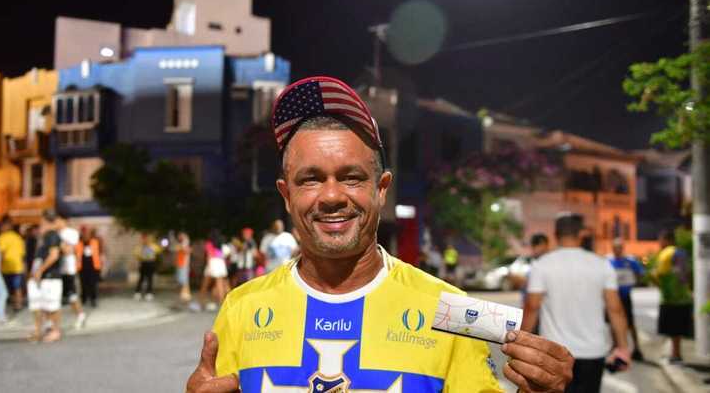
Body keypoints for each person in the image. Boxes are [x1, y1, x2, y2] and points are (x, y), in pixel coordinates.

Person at [187, 76, 574, 393]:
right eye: (311, 180)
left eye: (352, 177)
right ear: (286, 195)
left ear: (382, 188)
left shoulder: (449, 309)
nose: (333, 196)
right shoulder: (242, 307)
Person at [523, 213, 630, 393]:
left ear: (555, 235)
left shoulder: (542, 265)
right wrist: (623, 347)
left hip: (554, 352)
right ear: (581, 234)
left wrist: (523, 342)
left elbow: (532, 307)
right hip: (593, 352)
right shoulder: (601, 265)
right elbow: (615, 309)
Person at [653, 228, 693, 364]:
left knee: (672, 329)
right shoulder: (682, 252)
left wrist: (655, 280)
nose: (659, 242)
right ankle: (676, 354)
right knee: (679, 329)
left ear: (667, 240)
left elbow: (658, 275)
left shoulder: (665, 254)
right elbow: (687, 275)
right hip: (683, 297)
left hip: (670, 298)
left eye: (660, 239)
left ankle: (675, 356)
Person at [28, 210, 64, 343]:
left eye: (41, 219)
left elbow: (54, 255)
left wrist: (40, 270)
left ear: (45, 220)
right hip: (42, 276)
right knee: (40, 304)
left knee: (52, 305)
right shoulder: (45, 236)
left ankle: (55, 331)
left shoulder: (53, 235)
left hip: (51, 276)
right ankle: (39, 330)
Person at [608, 237, 645, 361]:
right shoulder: (608, 261)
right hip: (612, 296)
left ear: (622, 248)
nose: (616, 250)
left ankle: (636, 348)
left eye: (619, 247)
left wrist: (635, 283)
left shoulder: (630, 261)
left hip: (625, 296)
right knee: (612, 322)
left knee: (630, 323)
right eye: (614, 247)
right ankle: (615, 346)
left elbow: (640, 273)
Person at [57, 217, 86, 329]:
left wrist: (60, 245)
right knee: (60, 296)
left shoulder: (70, 233)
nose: (57, 223)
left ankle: (80, 315)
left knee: (72, 295)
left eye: (58, 220)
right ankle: (52, 322)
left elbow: (69, 250)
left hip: (68, 268)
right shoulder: (58, 233)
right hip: (59, 269)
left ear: (63, 221)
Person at [194, 230, 231, 312]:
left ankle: (200, 303)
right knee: (220, 284)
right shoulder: (221, 243)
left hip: (213, 263)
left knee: (205, 285)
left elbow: (209, 255)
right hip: (221, 263)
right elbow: (227, 254)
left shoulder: (209, 243)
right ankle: (222, 305)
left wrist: (209, 266)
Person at [0, 216, 26, 312]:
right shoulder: (18, 237)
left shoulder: (2, 237)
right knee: (17, 287)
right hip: (18, 266)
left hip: (6, 267)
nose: (0, 227)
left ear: (6, 225)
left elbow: (1, 253)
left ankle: (3, 306)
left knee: (5, 288)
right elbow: (22, 253)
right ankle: (18, 304)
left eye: (1, 225)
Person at [76, 226, 102, 307]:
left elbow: (100, 252)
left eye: (87, 234)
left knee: (92, 284)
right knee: (83, 284)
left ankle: (93, 299)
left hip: (93, 266)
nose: (86, 236)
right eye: (84, 234)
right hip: (82, 267)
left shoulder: (95, 241)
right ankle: (83, 299)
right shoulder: (78, 243)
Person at [134, 233, 161, 301]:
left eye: (147, 238)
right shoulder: (140, 247)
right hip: (143, 263)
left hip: (151, 263)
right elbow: (136, 254)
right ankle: (138, 292)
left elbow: (159, 251)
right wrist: (140, 255)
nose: (146, 240)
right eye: (144, 239)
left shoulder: (153, 246)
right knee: (141, 278)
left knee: (150, 278)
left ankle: (149, 293)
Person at [174, 232, 192, 302]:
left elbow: (186, 251)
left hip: (184, 264)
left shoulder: (185, 245)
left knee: (184, 280)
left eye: (182, 236)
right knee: (182, 280)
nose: (180, 237)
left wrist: (184, 244)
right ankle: (185, 294)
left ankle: (186, 295)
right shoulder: (181, 245)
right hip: (180, 264)